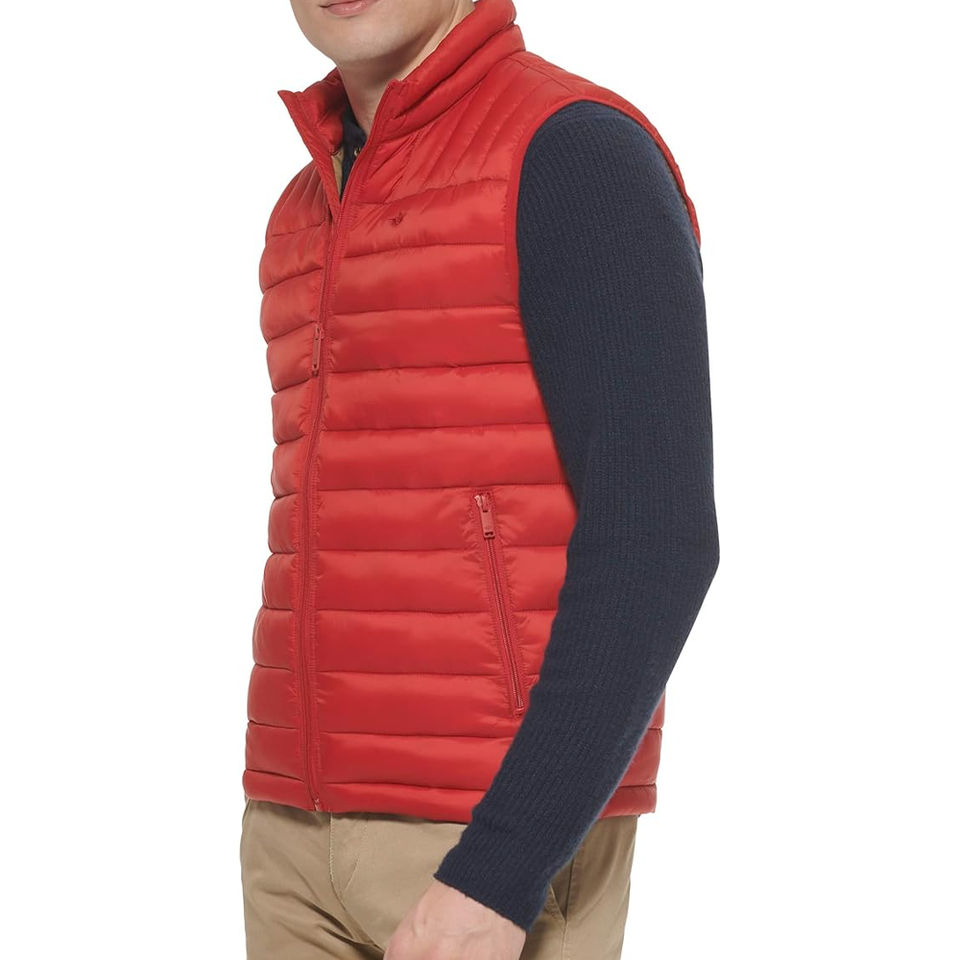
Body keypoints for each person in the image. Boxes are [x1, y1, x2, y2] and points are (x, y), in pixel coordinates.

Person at [239, 1, 719, 957]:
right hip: (291, 836)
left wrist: (502, 868)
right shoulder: (304, 204)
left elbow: (658, 541)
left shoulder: (574, 154)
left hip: (488, 845)